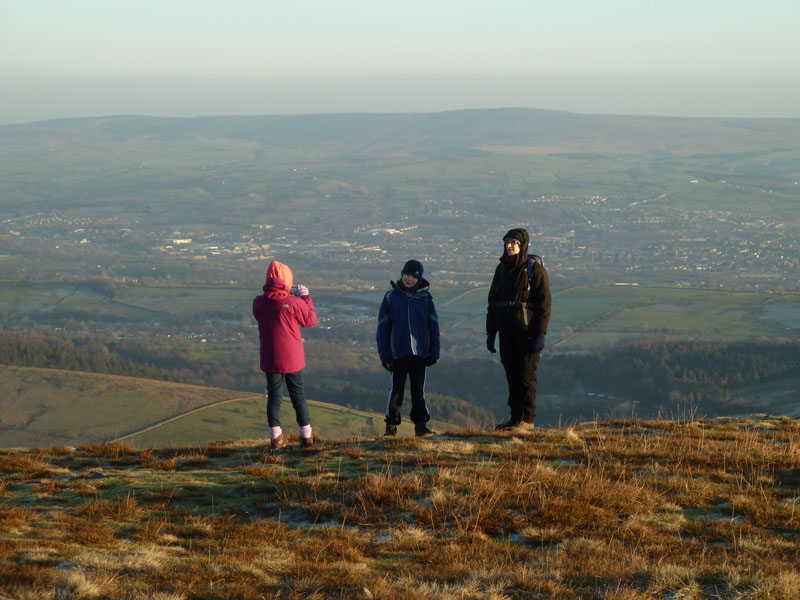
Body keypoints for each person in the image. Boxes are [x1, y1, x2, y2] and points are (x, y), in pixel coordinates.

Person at [486, 228, 551, 431]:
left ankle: (527, 420)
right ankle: (515, 418)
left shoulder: (533, 269)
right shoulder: (502, 269)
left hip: (527, 332)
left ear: (523, 245)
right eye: (507, 242)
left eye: (514, 242)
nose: (510, 246)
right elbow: (493, 303)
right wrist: (491, 332)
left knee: (525, 375)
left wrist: (540, 334)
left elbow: (544, 304)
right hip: (507, 332)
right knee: (512, 375)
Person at [252, 260, 317, 449]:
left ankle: (276, 438)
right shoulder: (294, 302)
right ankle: (306, 436)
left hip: (270, 357)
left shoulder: (258, 302)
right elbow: (310, 320)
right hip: (292, 358)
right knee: (298, 395)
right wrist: (305, 297)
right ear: (287, 280)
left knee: (274, 396)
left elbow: (264, 312)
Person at [376, 259, 440, 437]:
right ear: (401, 274)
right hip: (398, 353)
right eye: (407, 274)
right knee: (396, 390)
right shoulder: (391, 298)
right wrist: (384, 354)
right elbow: (383, 328)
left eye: (413, 276)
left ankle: (421, 426)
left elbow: (434, 327)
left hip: (420, 353)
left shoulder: (426, 299)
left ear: (419, 278)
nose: (409, 279)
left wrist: (434, 352)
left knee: (418, 390)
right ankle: (391, 426)